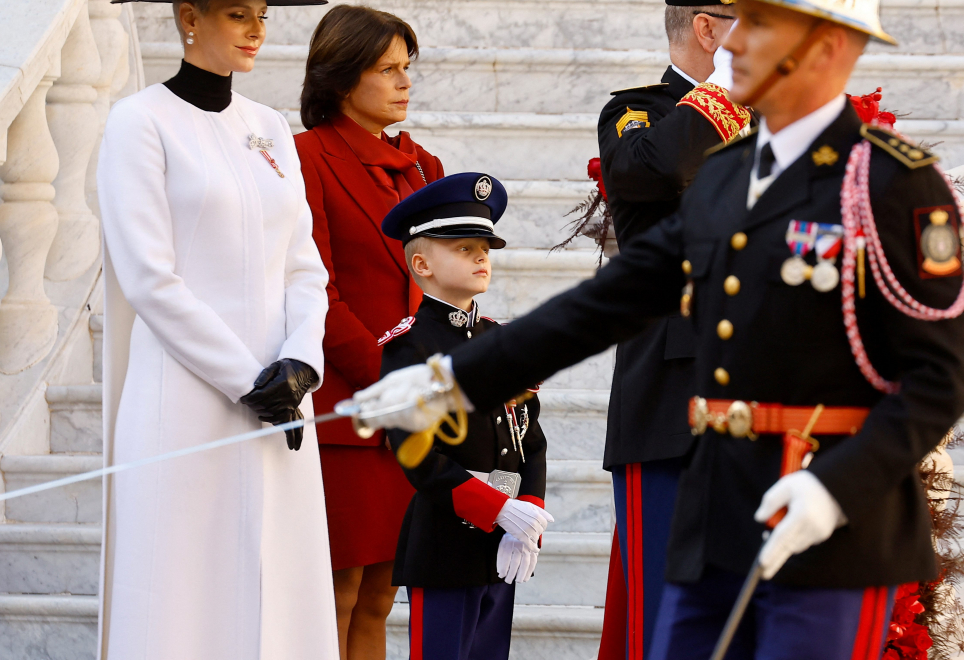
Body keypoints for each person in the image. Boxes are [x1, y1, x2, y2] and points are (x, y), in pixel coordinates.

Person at [350, 0, 964, 656]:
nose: (737, 44)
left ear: (829, 47)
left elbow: (939, 377)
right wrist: (453, 378)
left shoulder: (894, 182)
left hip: (830, 515)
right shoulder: (728, 172)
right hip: (715, 508)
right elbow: (617, 297)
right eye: (740, 21)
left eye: (763, 25)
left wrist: (838, 486)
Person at [97, 0, 336, 658]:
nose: (258, 29)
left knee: (281, 593)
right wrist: (245, 379)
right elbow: (149, 277)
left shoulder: (269, 126)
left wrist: (299, 361)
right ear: (188, 17)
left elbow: (304, 267)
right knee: (182, 596)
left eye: (261, 13)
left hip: (283, 401)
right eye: (238, 13)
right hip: (187, 396)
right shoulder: (139, 122)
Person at [595, 2, 749, 657]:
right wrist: (729, 88)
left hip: (769, 401)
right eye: (755, 19)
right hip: (671, 396)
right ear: (710, 28)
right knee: (667, 618)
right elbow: (648, 170)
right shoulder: (640, 114)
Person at [292, 6, 444, 659]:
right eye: (386, 69)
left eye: (406, 68)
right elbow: (314, 288)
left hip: (413, 412)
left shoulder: (424, 167)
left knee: (383, 596)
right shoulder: (306, 158)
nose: (403, 82)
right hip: (349, 406)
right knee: (337, 592)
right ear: (341, 76)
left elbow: (440, 284)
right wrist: (388, 379)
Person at [378, 173, 552, 660]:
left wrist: (528, 517)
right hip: (445, 546)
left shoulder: (504, 341)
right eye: (462, 247)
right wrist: (496, 508)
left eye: (485, 247)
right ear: (421, 264)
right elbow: (417, 453)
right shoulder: (411, 347)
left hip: (503, 543)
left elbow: (530, 439)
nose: (480, 256)